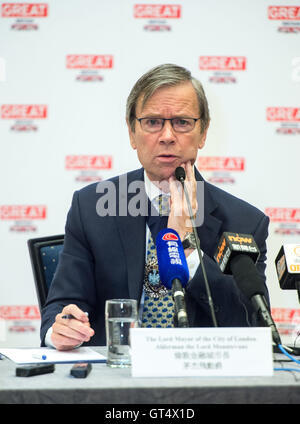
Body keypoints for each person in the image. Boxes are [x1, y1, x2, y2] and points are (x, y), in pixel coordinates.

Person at [40, 64, 270, 350]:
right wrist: (60, 328)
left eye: (183, 122)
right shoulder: (92, 207)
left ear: (203, 133)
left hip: (201, 381)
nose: (167, 136)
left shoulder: (244, 222)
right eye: (152, 122)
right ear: (132, 133)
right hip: (117, 378)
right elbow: (61, 305)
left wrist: (185, 246)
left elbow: (254, 326)